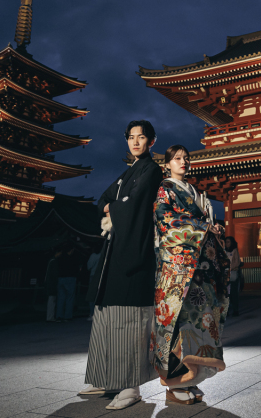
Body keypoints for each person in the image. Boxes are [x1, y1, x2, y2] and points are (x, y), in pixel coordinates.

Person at [81, 120, 164, 411]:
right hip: (115, 252)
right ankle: (104, 377)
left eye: (142, 137)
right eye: (131, 137)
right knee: (106, 317)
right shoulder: (128, 172)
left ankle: (131, 386)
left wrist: (115, 206)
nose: (136, 142)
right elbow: (104, 200)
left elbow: (133, 206)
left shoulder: (152, 171)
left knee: (129, 323)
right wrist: (115, 204)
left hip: (134, 252)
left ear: (151, 141)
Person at [151, 145, 230, 405]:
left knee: (201, 319)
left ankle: (193, 378)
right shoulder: (165, 189)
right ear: (167, 165)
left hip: (199, 268)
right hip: (178, 267)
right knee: (178, 322)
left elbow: (205, 222)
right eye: (177, 159)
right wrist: (200, 225)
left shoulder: (196, 192)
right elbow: (164, 220)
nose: (183, 162)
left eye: (186, 158)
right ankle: (174, 384)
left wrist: (213, 228)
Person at [57, 245, 81, 321]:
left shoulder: (60, 258)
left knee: (61, 298)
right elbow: (77, 268)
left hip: (61, 278)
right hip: (70, 278)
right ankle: (68, 316)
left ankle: (59, 316)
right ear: (71, 250)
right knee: (70, 298)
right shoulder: (73, 258)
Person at [224, 236, 242, 317]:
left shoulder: (235, 251)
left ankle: (235, 310)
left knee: (234, 293)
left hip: (233, 273)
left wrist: (230, 267)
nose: (227, 244)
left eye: (228, 242)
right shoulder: (223, 251)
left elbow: (237, 262)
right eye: (226, 242)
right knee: (226, 294)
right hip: (225, 274)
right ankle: (226, 310)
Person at [45, 248, 61, 322]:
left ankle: (50, 316)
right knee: (52, 301)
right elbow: (55, 274)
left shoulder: (51, 260)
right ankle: (50, 317)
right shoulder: (54, 261)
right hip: (52, 284)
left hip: (49, 283)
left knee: (51, 301)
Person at [85, 247, 101, 321]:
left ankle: (92, 313)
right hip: (101, 276)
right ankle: (99, 313)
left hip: (93, 275)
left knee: (91, 295)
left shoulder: (93, 256)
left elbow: (89, 266)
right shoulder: (102, 255)